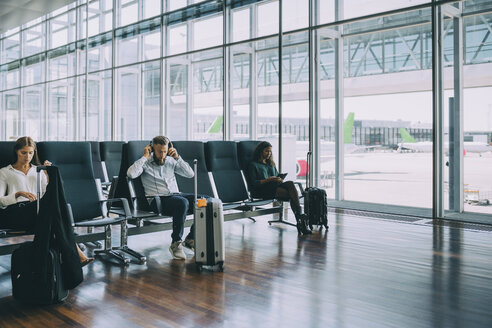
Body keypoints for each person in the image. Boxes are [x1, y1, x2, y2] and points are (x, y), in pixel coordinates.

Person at [0, 136, 93, 267]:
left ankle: (61, 261)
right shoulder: (5, 172)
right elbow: (0, 201)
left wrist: (48, 177)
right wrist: (17, 194)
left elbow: (46, 195)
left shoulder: (38, 170)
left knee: (52, 211)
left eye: (31, 153)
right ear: (16, 151)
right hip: (16, 213)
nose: (27, 157)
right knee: (55, 215)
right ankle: (75, 253)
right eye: (23, 152)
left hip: (38, 211)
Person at [127, 136, 195, 260]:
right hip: (157, 200)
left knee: (207, 201)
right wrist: (145, 156)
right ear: (152, 149)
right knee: (182, 203)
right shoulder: (146, 162)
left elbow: (190, 174)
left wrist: (177, 158)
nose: (162, 155)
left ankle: (191, 238)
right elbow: (131, 173)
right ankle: (176, 243)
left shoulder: (171, 161)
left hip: (175, 195)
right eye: (159, 151)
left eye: (165, 151)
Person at [247, 141, 311, 235]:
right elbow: (253, 184)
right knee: (292, 194)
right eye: (266, 151)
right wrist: (269, 179)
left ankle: (300, 220)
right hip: (262, 191)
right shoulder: (253, 165)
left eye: (270, 152)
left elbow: (276, 176)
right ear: (260, 151)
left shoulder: (271, 164)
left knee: (290, 184)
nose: (269, 153)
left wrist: (279, 179)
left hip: (274, 187)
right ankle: (301, 220)